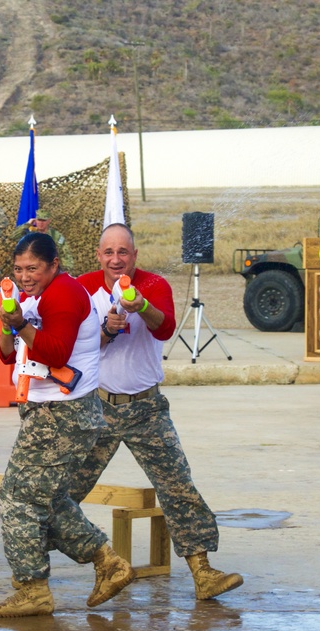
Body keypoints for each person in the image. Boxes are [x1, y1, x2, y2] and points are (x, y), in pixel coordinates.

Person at [74, 223, 244, 601]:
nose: (116, 260)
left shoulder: (153, 286)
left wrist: (141, 307)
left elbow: (165, 328)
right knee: (65, 491)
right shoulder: (83, 287)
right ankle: (97, 566)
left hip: (146, 407)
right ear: (98, 256)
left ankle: (203, 572)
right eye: (109, 252)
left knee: (177, 485)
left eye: (124, 252)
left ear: (135, 255)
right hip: (95, 405)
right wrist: (104, 331)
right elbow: (70, 342)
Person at [0, 232, 135, 618]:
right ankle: (108, 563)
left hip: (62, 413)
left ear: (54, 265)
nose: (24, 276)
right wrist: (10, 323)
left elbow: (55, 351)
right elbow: (5, 354)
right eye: (18, 269)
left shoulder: (65, 294)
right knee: (49, 502)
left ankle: (32, 588)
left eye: (32, 268)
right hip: (47, 411)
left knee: (18, 498)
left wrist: (20, 322)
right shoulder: (32, 296)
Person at [10, 209, 75, 275]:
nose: (41, 223)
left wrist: (67, 271)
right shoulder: (30, 234)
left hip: (49, 269)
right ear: (35, 220)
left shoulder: (55, 236)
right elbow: (13, 236)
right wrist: (27, 224)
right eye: (39, 220)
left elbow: (64, 253)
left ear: (49, 221)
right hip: (31, 269)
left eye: (44, 221)